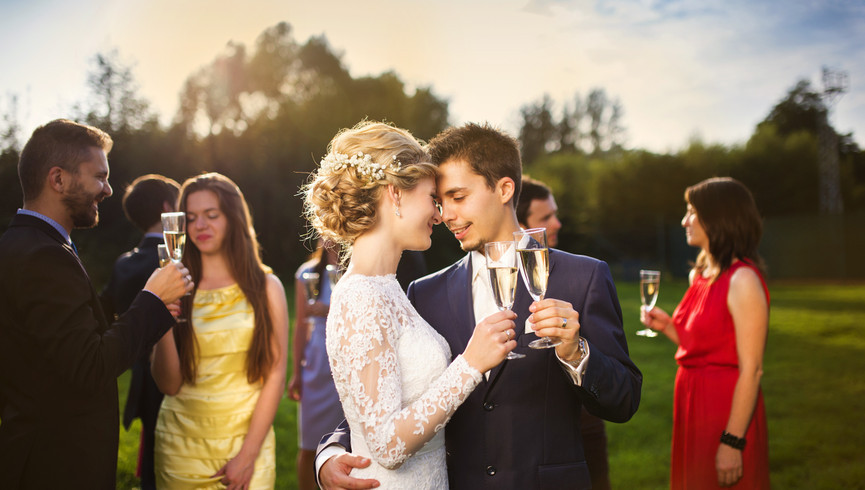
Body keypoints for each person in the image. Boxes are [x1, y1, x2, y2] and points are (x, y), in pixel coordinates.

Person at [317, 122, 642, 490]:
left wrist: (576, 352)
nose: (446, 216)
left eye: (458, 197)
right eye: (439, 201)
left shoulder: (584, 277)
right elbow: (385, 397)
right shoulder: (424, 292)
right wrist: (331, 450)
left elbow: (625, 400)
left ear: (504, 189)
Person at [303, 120, 517, 488]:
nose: (439, 214)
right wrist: (470, 364)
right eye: (431, 198)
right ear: (395, 194)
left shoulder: (389, 289)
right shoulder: (362, 297)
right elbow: (386, 445)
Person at [0, 119, 191, 488]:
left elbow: (61, 339)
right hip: (58, 464)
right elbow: (90, 365)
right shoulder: (44, 256)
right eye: (99, 177)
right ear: (58, 179)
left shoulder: (20, 245)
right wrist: (152, 300)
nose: (107, 190)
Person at [151, 172, 289, 489]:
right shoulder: (174, 287)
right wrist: (161, 316)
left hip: (248, 444)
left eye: (212, 215)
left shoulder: (266, 287)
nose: (201, 226)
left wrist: (248, 456)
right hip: (181, 448)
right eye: (192, 217)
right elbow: (169, 385)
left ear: (233, 219)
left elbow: (275, 373)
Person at [640, 177, 770, 489]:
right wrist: (669, 326)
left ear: (718, 218)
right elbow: (703, 347)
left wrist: (732, 441)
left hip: (724, 409)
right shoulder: (698, 275)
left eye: (692, 212)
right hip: (691, 402)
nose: (684, 220)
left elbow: (751, 370)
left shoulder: (743, 280)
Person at [517, 175, 610, 490]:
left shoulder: (583, 275)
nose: (556, 223)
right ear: (519, 222)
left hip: (587, 421)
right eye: (545, 217)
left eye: (554, 214)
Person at [100, 173, 180, 490]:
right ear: (167, 208)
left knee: (152, 461)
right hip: (177, 371)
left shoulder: (123, 264)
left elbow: (107, 313)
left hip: (141, 377)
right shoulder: (177, 261)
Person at [288, 239, 345, 490]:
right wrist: (296, 373)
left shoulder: (355, 271)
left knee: (343, 445)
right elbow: (300, 325)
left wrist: (329, 309)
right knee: (309, 445)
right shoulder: (306, 273)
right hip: (316, 363)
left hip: (344, 363)